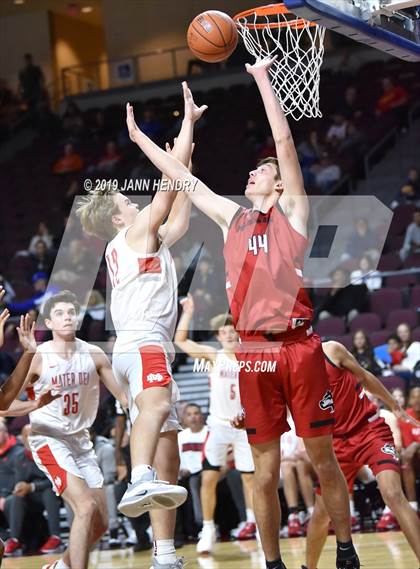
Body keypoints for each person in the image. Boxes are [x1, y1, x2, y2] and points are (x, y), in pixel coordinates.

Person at [127, 56, 359, 569]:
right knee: (265, 468)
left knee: (322, 458)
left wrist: (261, 80)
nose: (253, 172)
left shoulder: (293, 213)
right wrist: (141, 140)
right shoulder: (232, 217)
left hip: (298, 347)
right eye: (254, 170)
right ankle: (273, 563)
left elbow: (283, 145)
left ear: (276, 186)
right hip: (253, 353)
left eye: (261, 172)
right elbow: (183, 179)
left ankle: (346, 550)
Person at [76, 81, 206, 569]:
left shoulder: (143, 242)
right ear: (116, 216)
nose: (133, 202)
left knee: (169, 457)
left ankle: (165, 554)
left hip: (136, 348)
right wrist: (184, 133)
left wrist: (186, 154)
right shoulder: (132, 230)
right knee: (158, 412)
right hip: (143, 341)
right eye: (127, 202)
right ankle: (137, 477)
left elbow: (182, 210)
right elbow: (168, 186)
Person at [20, 290, 128, 569]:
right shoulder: (38, 357)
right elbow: (5, 400)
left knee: (101, 523)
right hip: (49, 439)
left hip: (81, 441)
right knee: (85, 507)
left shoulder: (93, 354)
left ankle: (61, 567)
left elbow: (124, 398)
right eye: (59, 313)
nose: (67, 317)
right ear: (49, 322)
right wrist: (31, 404)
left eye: (71, 313)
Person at [302, 341, 420, 569]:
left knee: (393, 494)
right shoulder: (289, 370)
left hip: (369, 430)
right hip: (335, 443)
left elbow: (365, 377)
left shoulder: (331, 350)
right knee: (321, 513)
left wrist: (393, 404)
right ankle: (309, 567)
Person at [175, 295, 256, 554]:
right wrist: (187, 312)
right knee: (208, 477)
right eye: (224, 332)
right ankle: (208, 529)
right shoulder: (212, 356)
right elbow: (180, 341)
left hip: (245, 428)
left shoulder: (252, 358)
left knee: (250, 480)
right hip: (219, 426)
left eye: (232, 331)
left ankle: (256, 524)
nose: (229, 336)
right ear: (219, 337)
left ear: (238, 334)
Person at [3, 425, 63, 557]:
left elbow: (55, 481)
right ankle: (14, 539)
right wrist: (19, 487)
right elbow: (20, 481)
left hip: (52, 494)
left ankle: (56, 537)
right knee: (16, 497)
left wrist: (32, 487)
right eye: (28, 436)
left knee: (49, 491)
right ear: (22, 439)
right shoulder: (19, 458)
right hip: (32, 498)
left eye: (34, 435)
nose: (31, 439)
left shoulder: (51, 454)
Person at [177, 404, 208, 539]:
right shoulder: (180, 436)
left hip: (204, 472)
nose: (193, 417)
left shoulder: (209, 432)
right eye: (189, 414)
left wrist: (193, 470)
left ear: (201, 416)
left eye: (196, 413)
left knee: (196, 480)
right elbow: (176, 458)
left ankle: (202, 524)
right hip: (184, 474)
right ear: (184, 418)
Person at [398, 386, 420, 515]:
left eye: (419, 397)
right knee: (406, 458)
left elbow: (413, 445)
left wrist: (417, 444)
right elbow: (407, 447)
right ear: (409, 400)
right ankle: (412, 505)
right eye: (413, 397)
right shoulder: (405, 417)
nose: (417, 400)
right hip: (413, 462)